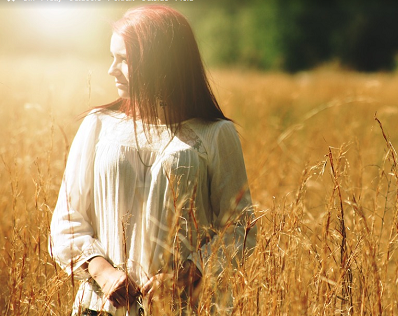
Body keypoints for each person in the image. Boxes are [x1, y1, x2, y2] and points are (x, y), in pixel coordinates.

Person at [49, 5, 256, 316]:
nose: (111, 69)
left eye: (124, 60)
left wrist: (184, 276)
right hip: (101, 308)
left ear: (160, 63)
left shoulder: (215, 134)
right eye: (111, 57)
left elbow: (240, 227)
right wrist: (104, 273)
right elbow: (67, 217)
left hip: (181, 309)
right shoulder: (98, 125)